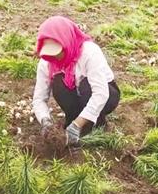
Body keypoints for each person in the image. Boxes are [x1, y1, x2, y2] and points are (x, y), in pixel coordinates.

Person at [32, 16, 120, 146]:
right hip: (75, 95)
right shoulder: (47, 62)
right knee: (58, 83)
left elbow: (101, 93)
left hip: (105, 94)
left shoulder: (89, 52)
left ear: (66, 41)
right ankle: (73, 119)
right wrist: (46, 121)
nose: (54, 56)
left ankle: (98, 125)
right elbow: (39, 99)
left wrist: (78, 125)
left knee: (86, 86)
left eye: (57, 50)